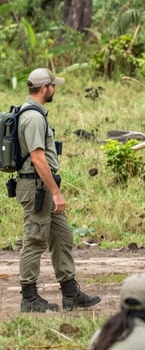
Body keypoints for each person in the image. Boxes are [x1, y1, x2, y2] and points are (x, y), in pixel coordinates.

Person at [16, 67, 100, 312]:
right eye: (53, 86)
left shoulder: (36, 114)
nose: (55, 89)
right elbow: (38, 158)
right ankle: (29, 297)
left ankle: (70, 293)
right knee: (34, 240)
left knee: (62, 236)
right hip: (37, 187)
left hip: (42, 185)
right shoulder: (32, 118)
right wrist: (55, 191)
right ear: (44, 88)